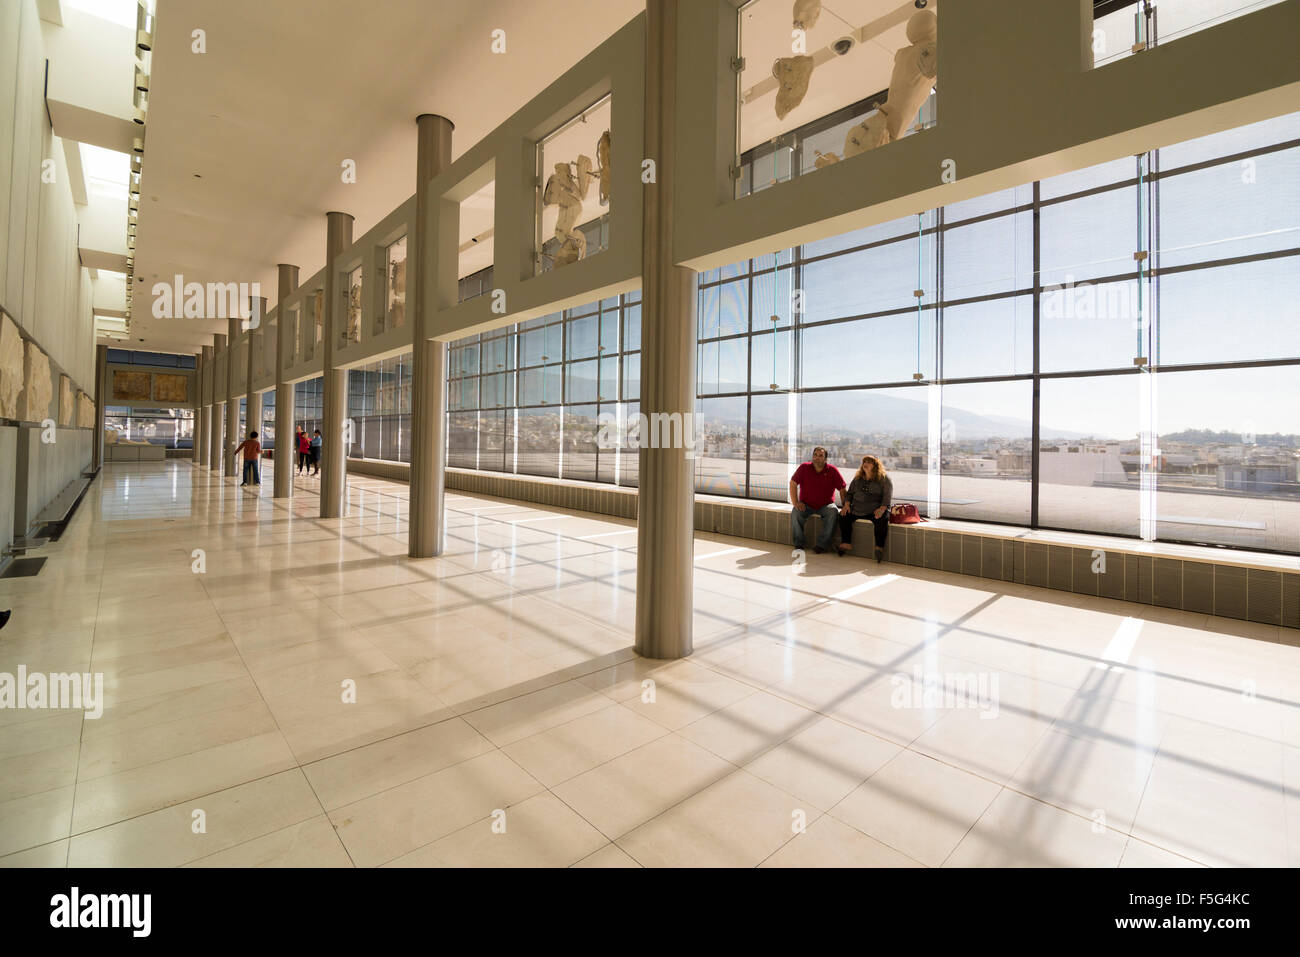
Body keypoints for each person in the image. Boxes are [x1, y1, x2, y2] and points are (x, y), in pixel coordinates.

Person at [789, 446, 846, 554]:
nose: (817, 458)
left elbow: (842, 489)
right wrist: (795, 502)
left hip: (826, 505)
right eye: (815, 455)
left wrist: (844, 506)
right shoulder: (804, 467)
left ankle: (822, 545)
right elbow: (793, 483)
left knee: (833, 512)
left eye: (820, 456)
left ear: (825, 459)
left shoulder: (832, 470)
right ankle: (799, 544)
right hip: (806, 505)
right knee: (795, 512)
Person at [838, 454, 894, 562]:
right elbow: (849, 494)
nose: (866, 464)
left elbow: (887, 497)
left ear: (875, 465)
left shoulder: (884, 479)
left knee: (882, 520)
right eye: (864, 462)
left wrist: (882, 509)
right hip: (857, 509)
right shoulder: (858, 478)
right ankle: (846, 543)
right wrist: (846, 505)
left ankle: (879, 547)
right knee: (843, 516)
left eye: (869, 462)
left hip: (874, 510)